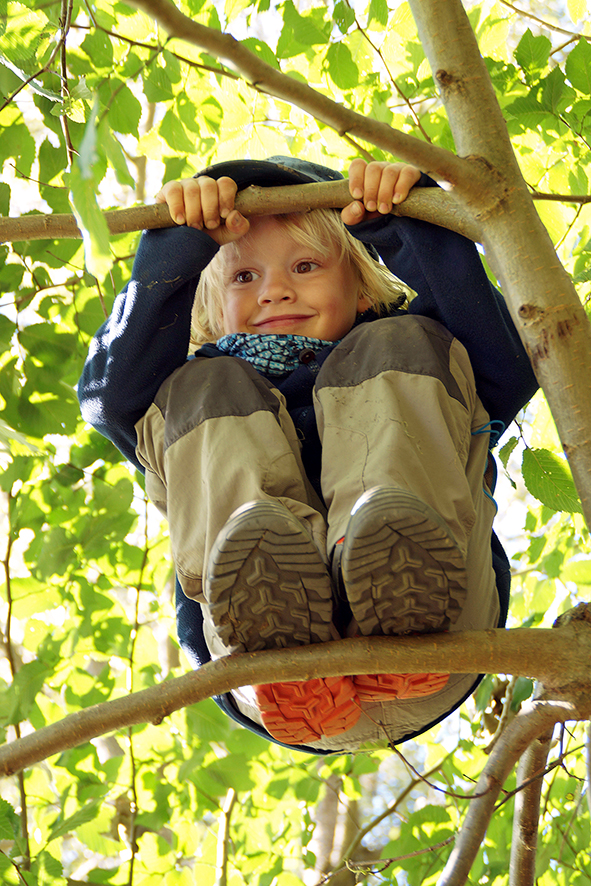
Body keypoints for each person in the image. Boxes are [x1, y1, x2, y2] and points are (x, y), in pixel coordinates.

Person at [78, 157, 538, 755]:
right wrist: (176, 246)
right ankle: (271, 607)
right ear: (211, 307)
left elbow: (509, 360)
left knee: (399, 340)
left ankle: (392, 563)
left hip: (443, 637)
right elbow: (109, 398)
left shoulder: (417, 348)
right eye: (243, 278)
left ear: (361, 280)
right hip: (267, 679)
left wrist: (405, 220)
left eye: (305, 265)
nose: (276, 288)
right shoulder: (188, 388)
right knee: (201, 386)